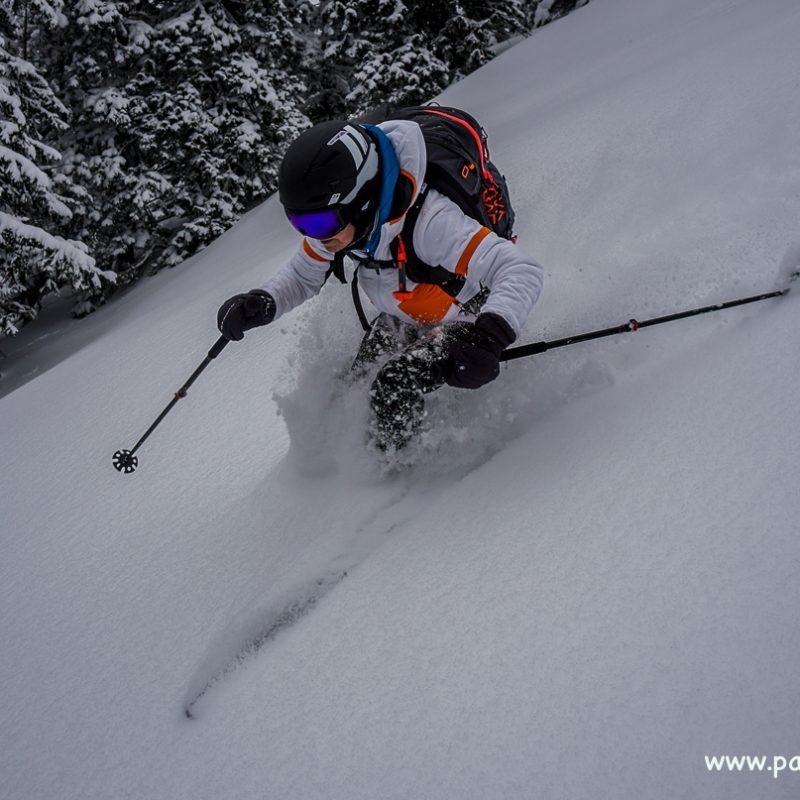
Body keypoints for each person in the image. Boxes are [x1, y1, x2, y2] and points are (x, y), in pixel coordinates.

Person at [217, 117, 544, 451]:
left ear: (362, 202)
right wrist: (263, 302)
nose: (314, 236)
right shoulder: (339, 227)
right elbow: (302, 275)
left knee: (392, 387)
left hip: (467, 323)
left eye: (318, 222)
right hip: (408, 316)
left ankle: (399, 486)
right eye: (299, 223)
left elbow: (520, 270)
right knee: (350, 386)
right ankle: (339, 466)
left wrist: (489, 338)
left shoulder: (432, 222)